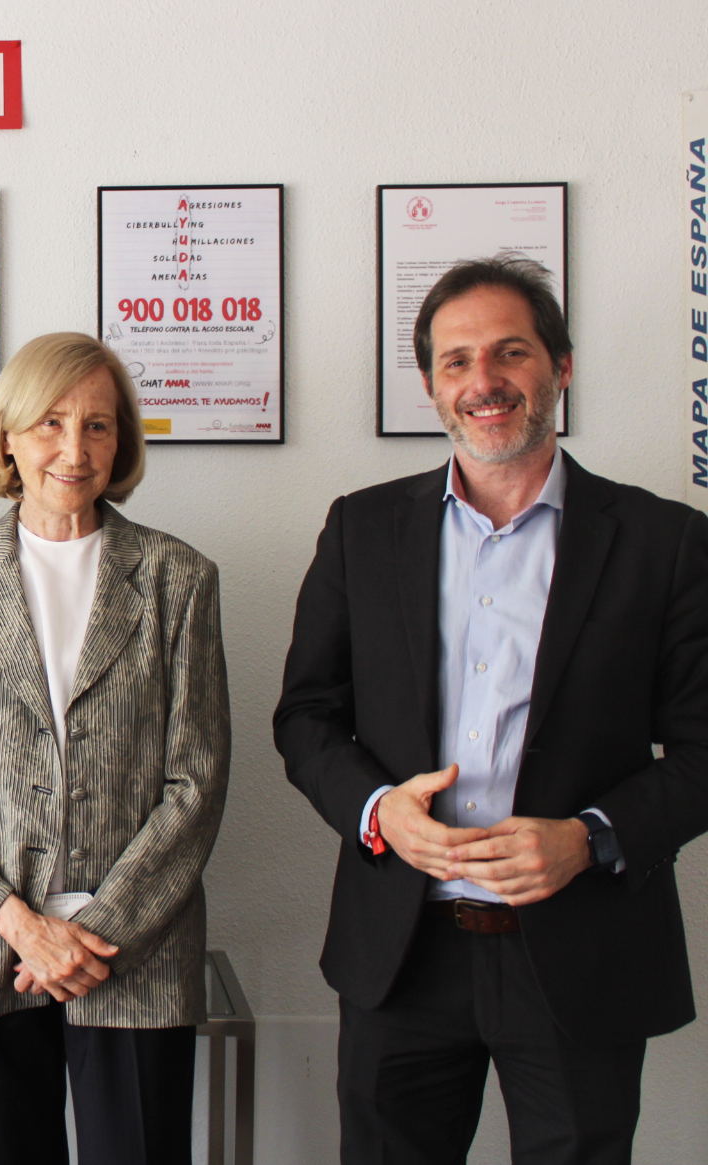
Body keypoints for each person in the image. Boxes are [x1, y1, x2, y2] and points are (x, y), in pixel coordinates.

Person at [274, 254, 708, 1165]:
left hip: (580, 947)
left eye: (511, 353)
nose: (485, 381)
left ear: (561, 367)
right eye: (458, 359)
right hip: (402, 949)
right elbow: (307, 717)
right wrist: (377, 810)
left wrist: (588, 835)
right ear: (431, 382)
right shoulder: (363, 529)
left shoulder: (665, 542)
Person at [0, 333, 230, 1165]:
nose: (74, 450)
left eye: (99, 426)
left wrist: (98, 930)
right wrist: (22, 926)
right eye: (49, 423)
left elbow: (197, 780)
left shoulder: (176, 578)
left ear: (123, 441)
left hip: (138, 957)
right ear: (6, 435)